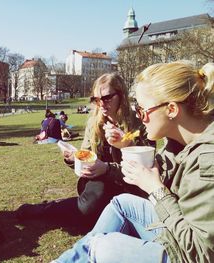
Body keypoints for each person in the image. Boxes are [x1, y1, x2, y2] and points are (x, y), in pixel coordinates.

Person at [53, 61, 214, 263]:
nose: (142, 117)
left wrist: (156, 190)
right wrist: (123, 148)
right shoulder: (177, 142)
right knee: (121, 205)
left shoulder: (208, 158)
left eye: (144, 110)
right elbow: (143, 172)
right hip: (176, 226)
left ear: (171, 109)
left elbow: (201, 254)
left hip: (191, 253)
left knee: (101, 245)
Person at [17, 73, 154, 231]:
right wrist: (74, 159)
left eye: (107, 98)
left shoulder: (141, 124)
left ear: (121, 96)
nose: (101, 104)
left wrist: (125, 147)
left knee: (108, 218)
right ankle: (46, 209)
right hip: (99, 183)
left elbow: (147, 168)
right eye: (96, 99)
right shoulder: (94, 123)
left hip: (130, 184)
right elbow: (87, 157)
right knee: (88, 209)